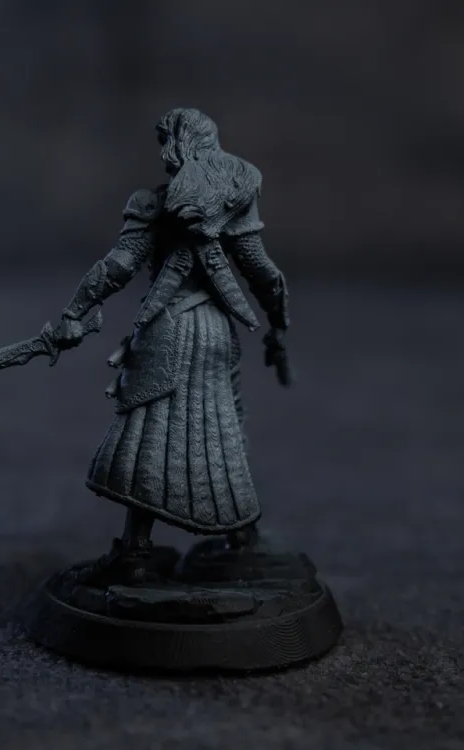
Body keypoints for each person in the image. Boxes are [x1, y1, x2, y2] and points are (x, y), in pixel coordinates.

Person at [52, 108, 290, 572]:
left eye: (165, 138)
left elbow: (118, 266)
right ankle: (242, 535)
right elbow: (262, 272)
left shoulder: (152, 203)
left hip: (169, 328)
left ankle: (135, 550)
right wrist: (278, 321)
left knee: (151, 429)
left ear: (178, 144)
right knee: (221, 426)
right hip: (215, 331)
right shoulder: (232, 199)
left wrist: (73, 313)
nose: (162, 150)